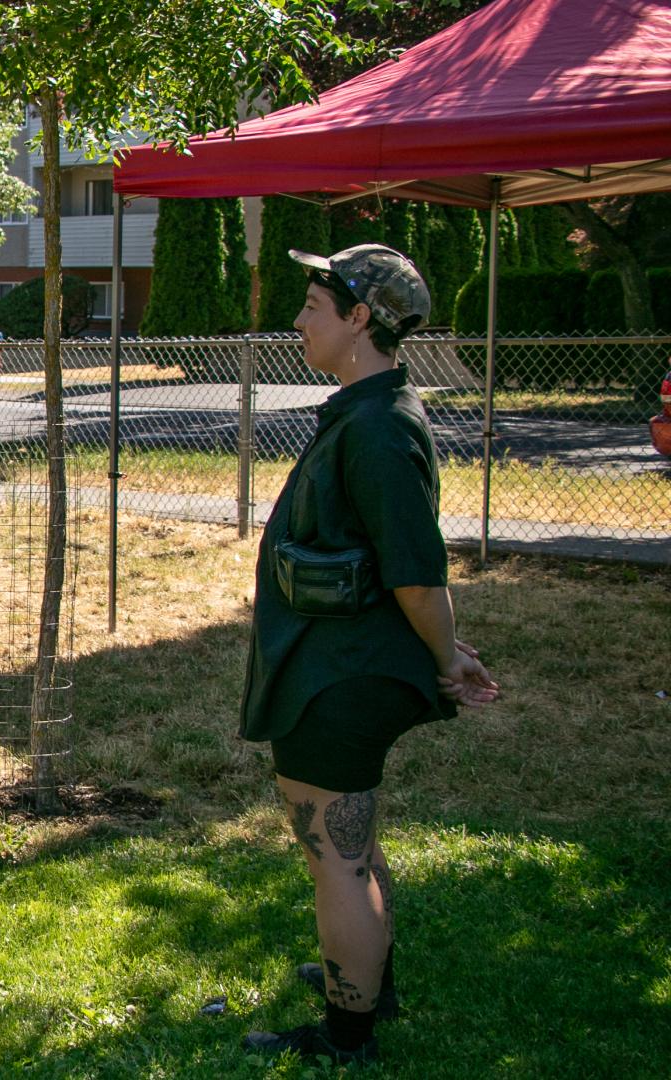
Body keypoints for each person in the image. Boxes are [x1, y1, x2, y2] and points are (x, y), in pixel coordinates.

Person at [238, 246, 500, 1064]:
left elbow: (417, 577)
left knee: (336, 861)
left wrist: (449, 658)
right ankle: (364, 974)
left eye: (314, 305)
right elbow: (391, 569)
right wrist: (441, 649)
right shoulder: (365, 410)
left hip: (337, 677)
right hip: (338, 661)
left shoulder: (382, 427)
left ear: (359, 319)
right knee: (349, 845)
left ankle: (347, 1033)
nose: (298, 320)